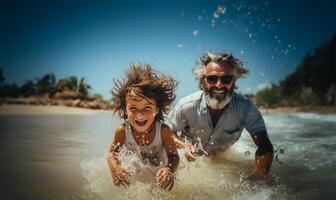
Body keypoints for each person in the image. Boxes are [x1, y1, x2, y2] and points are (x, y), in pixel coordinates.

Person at [167, 51, 274, 180]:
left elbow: (265, 146)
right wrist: (183, 145)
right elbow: (166, 133)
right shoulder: (185, 106)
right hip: (186, 166)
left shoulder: (246, 108)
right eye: (212, 79)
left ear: (233, 82)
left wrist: (257, 178)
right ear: (202, 82)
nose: (219, 85)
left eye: (226, 79)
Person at [107, 64, 179, 190]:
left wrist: (169, 169)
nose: (140, 114)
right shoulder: (122, 131)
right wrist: (115, 169)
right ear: (125, 110)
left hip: (158, 167)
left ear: (157, 109)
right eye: (133, 108)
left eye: (147, 107)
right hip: (137, 166)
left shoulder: (163, 131)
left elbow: (174, 156)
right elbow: (112, 154)